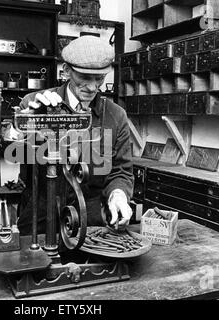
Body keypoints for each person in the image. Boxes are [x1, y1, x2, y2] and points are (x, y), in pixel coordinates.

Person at [15, 35, 134, 235]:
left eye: (99, 79)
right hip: (40, 216)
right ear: (66, 70)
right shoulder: (34, 103)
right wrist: (26, 124)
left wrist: (118, 194)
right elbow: (8, 150)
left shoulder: (116, 115)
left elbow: (121, 171)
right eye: (85, 77)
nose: (93, 87)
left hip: (93, 218)